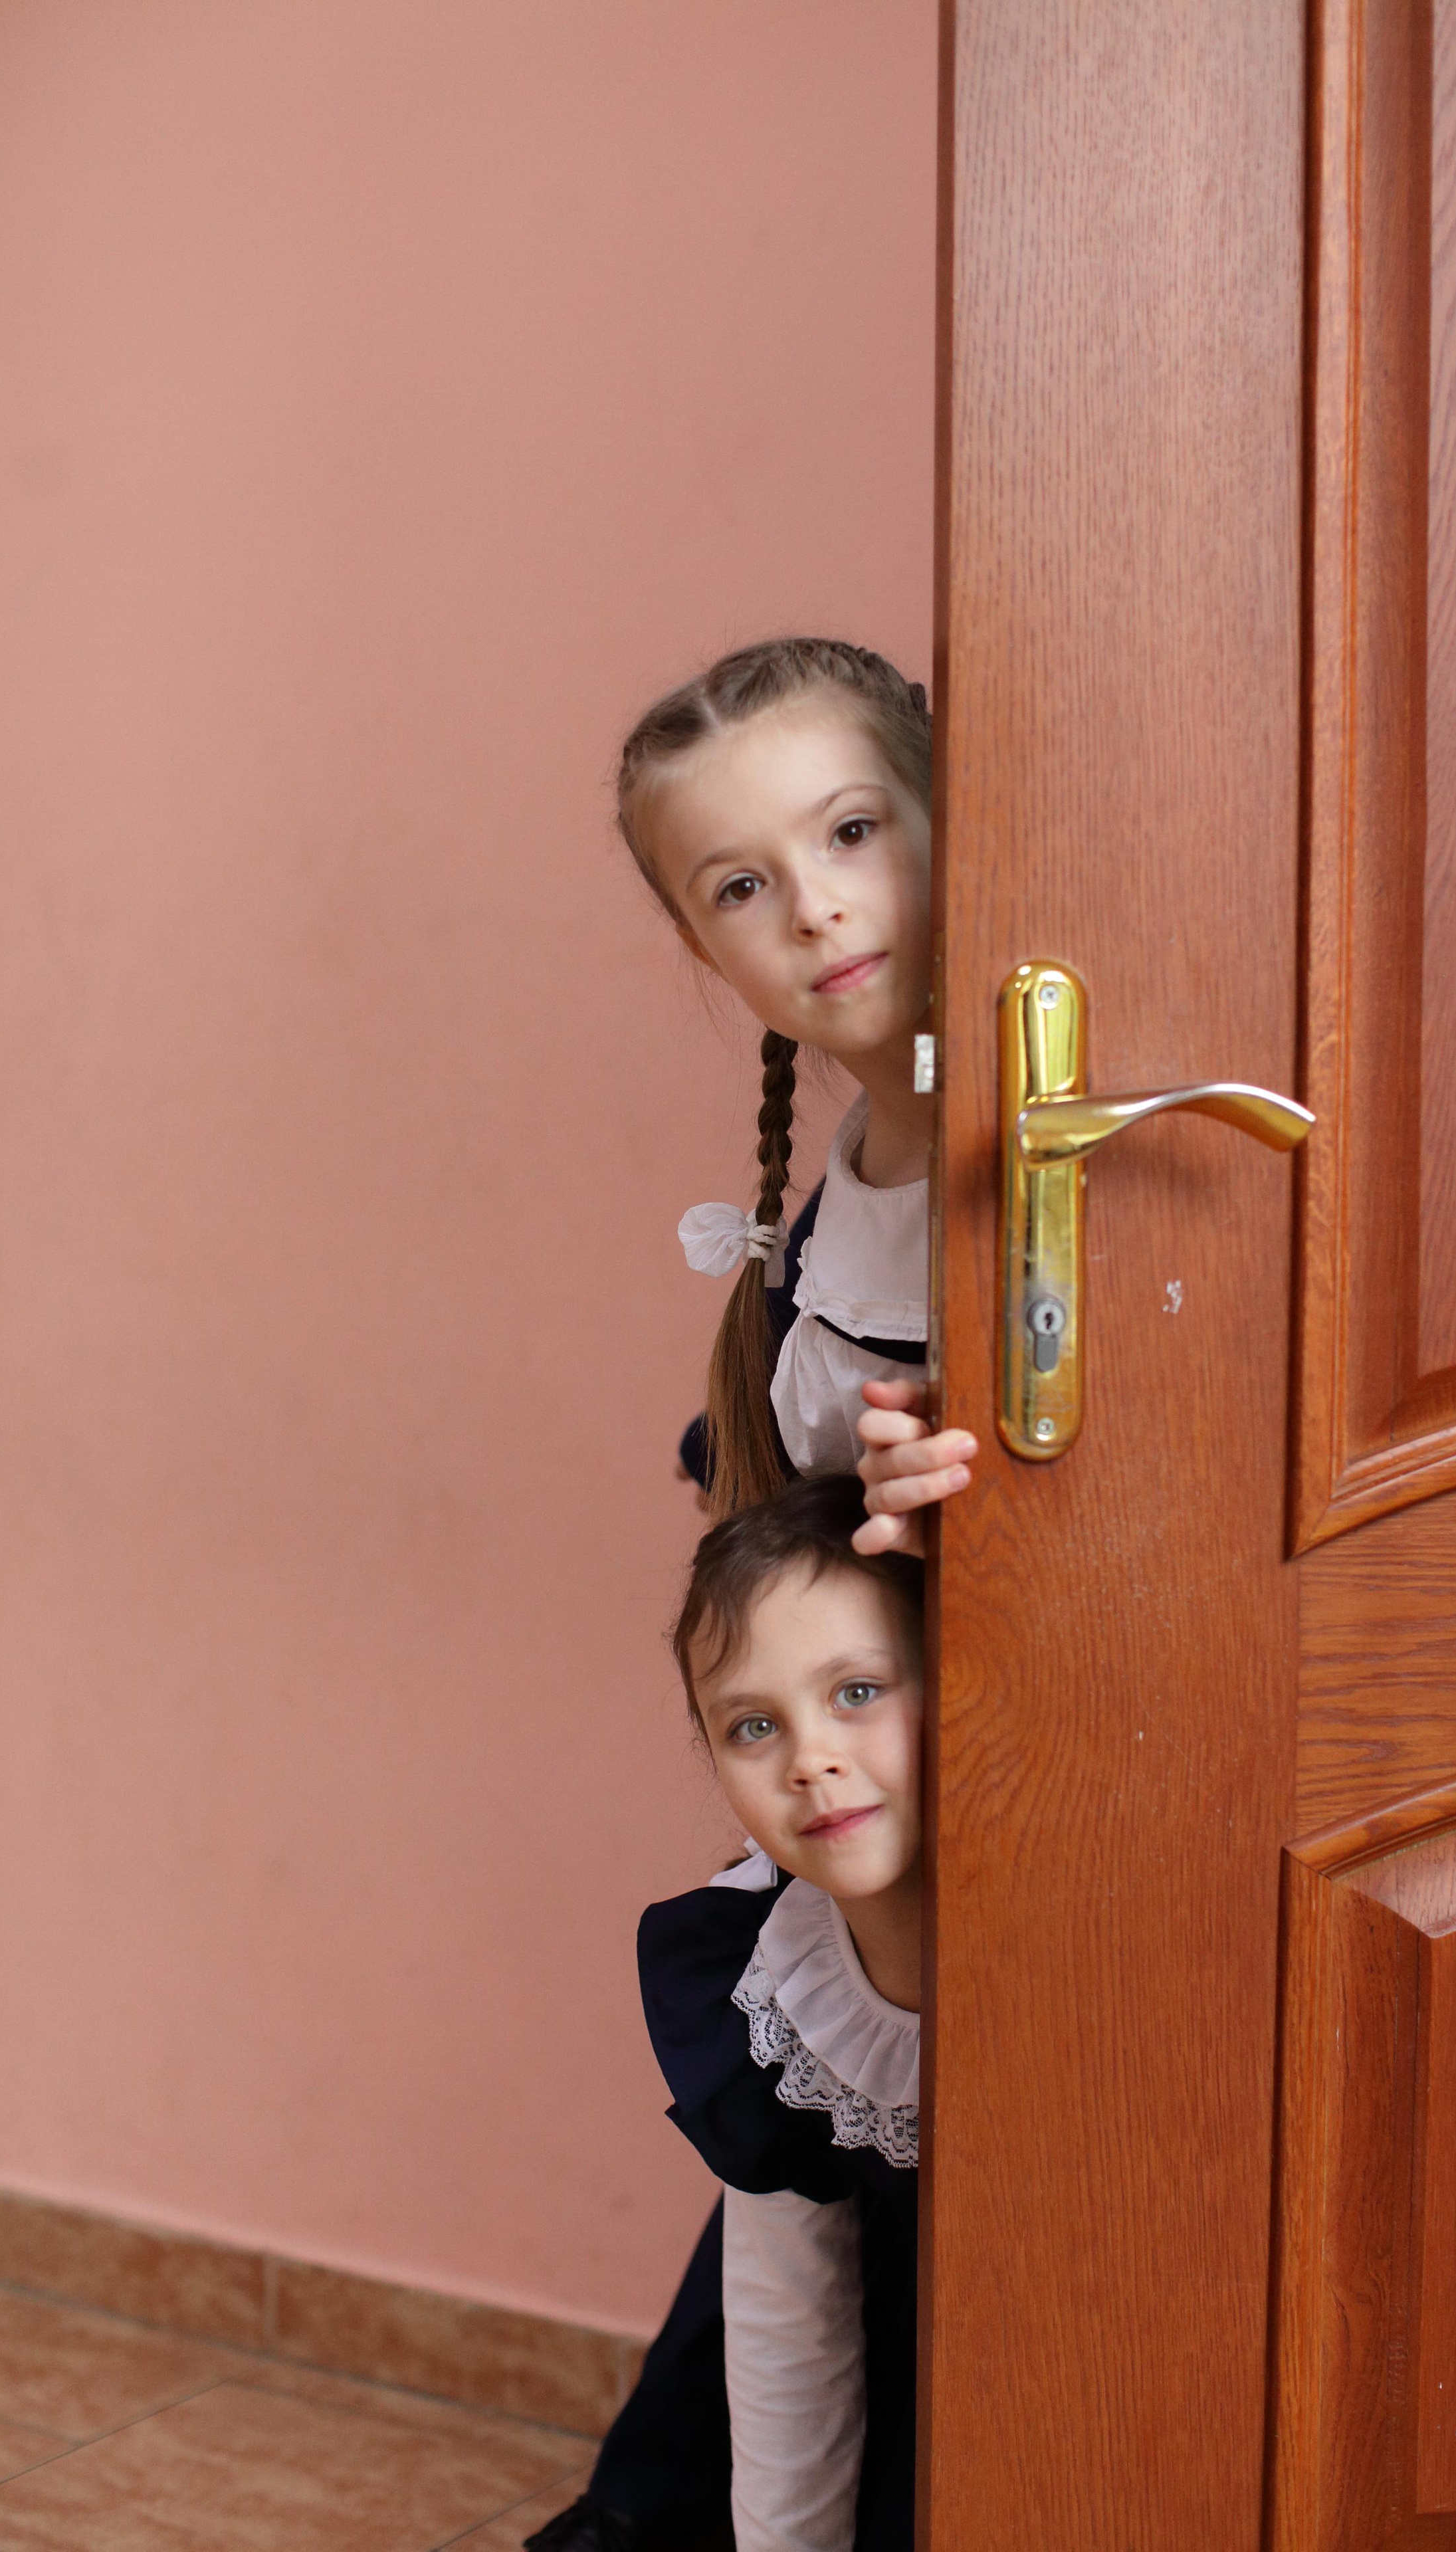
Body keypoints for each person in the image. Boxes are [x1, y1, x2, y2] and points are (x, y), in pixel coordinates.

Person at [530, 641, 959, 2552]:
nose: (817, 908)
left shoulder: (1056, 1164)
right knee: (761, 2376)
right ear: (702, 948)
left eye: (853, 830)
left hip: (1049, 1895)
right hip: (880, 1902)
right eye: (739, 884)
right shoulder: (818, 1236)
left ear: (946, 815)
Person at [644, 1475, 922, 2552]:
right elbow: (788, 2336)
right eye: (754, 1726)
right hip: (910, 2404)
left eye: (858, 1692)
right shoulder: (767, 1991)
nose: (812, 1761)